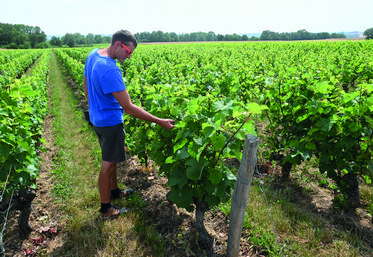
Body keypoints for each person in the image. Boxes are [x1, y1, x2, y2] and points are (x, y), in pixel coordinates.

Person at [83, 30, 175, 219]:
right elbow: (129, 107)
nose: (129, 56)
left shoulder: (93, 55)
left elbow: (85, 83)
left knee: (112, 159)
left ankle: (115, 190)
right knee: (107, 164)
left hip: (97, 119)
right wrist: (159, 121)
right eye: (128, 51)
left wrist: (94, 106)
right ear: (117, 44)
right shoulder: (110, 69)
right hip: (110, 123)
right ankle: (105, 208)